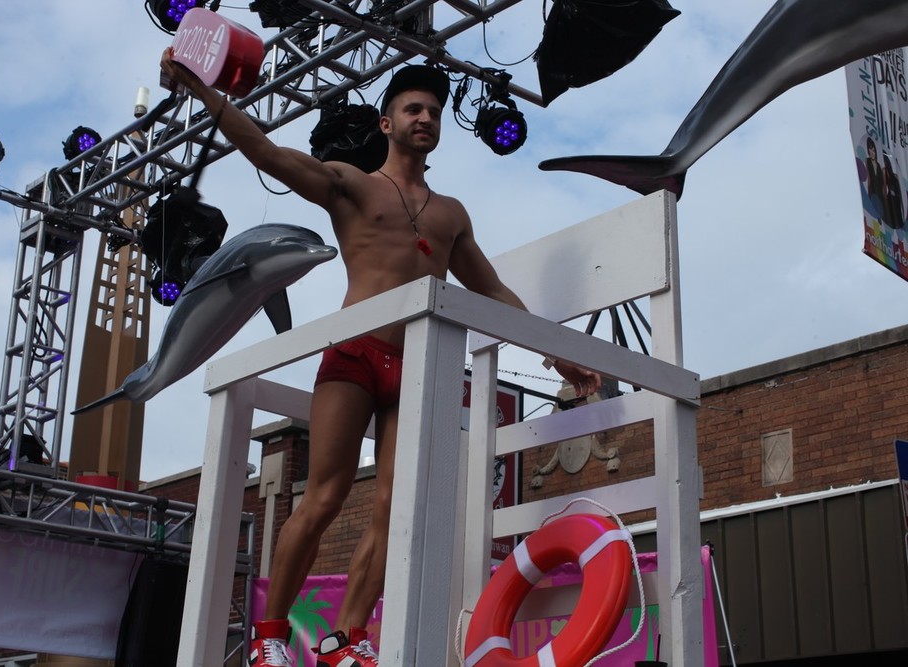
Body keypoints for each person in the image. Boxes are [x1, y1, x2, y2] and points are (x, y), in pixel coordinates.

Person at [159, 50, 602, 667]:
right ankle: (268, 637)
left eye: (434, 111)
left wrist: (558, 353)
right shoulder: (352, 183)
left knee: (395, 508)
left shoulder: (450, 214)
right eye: (413, 109)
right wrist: (205, 93)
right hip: (355, 355)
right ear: (387, 124)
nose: (426, 118)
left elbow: (493, 291)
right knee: (324, 497)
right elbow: (266, 153)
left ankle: (344, 638)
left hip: (416, 368)